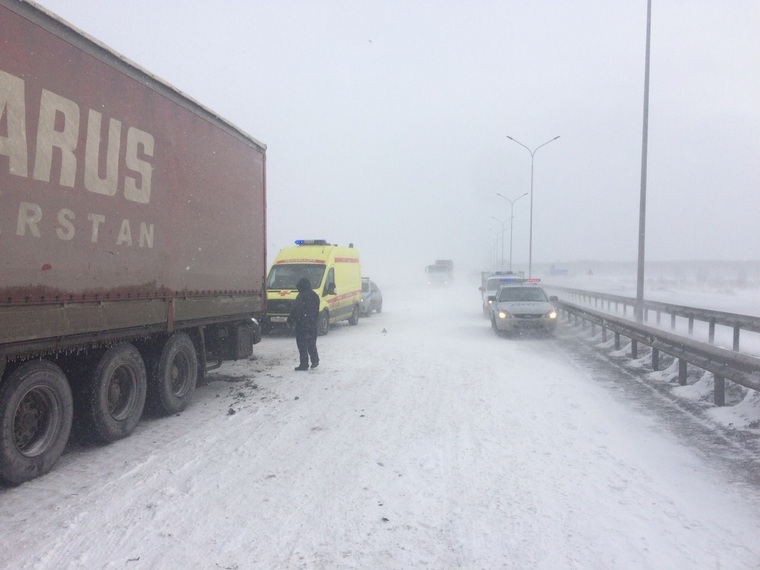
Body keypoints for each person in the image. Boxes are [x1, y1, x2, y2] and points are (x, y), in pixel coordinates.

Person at [287, 277, 320, 371]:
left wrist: (290, 319)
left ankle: (304, 364)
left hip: (301, 324)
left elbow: (295, 310)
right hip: (311, 324)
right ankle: (314, 360)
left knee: (302, 345)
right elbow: (315, 310)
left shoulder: (301, 296)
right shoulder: (314, 295)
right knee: (311, 343)